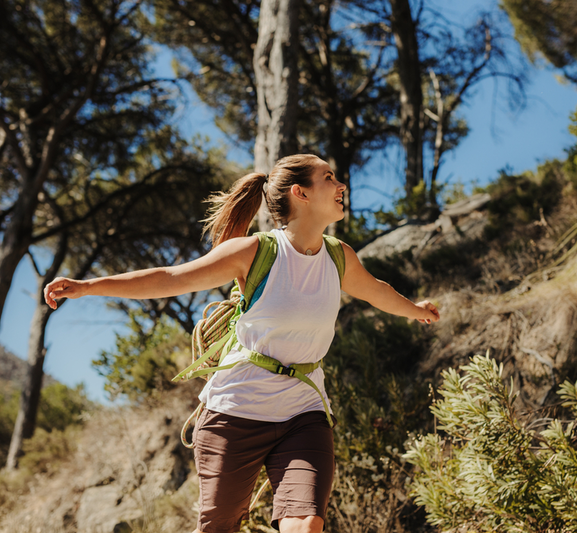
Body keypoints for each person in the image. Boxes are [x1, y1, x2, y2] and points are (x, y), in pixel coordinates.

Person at [43, 154, 440, 533]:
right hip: (236, 412)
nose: (341, 185)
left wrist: (415, 310)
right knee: (219, 527)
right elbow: (170, 276)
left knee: (306, 523)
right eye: (329, 178)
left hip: (303, 411)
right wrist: (87, 286)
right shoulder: (256, 251)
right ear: (299, 193)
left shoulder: (339, 257)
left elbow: (376, 291)